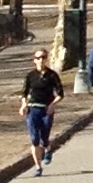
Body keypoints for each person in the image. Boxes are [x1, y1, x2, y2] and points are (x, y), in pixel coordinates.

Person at [19, 46, 63, 175]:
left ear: (46, 59)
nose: (41, 60)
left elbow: (60, 94)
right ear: (34, 60)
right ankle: (38, 167)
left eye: (43, 57)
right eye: (38, 58)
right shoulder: (30, 76)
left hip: (46, 110)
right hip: (33, 109)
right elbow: (24, 93)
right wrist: (23, 105)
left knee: (44, 137)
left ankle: (48, 149)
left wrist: (53, 105)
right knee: (34, 139)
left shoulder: (52, 75)